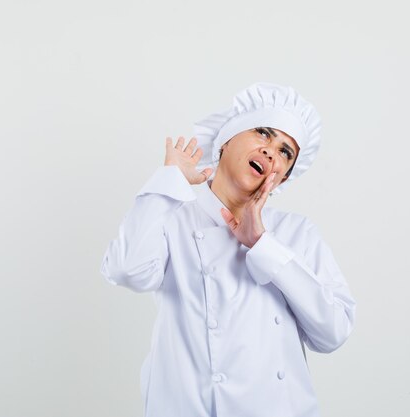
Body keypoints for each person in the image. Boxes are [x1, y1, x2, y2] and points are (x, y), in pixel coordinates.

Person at [100, 82, 357, 417]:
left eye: (285, 152)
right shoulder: (173, 216)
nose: (270, 152)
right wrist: (169, 182)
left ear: (283, 177)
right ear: (224, 140)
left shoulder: (297, 233)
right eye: (263, 133)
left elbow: (333, 333)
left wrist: (264, 246)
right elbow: (125, 270)